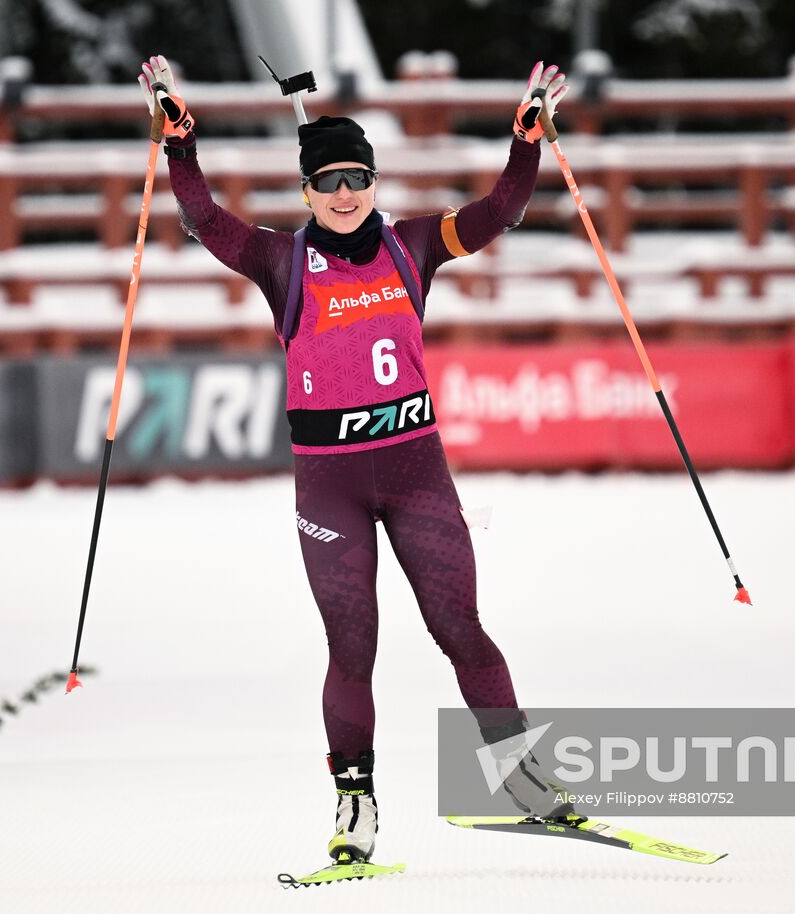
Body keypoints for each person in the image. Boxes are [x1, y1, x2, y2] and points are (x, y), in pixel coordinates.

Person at [138, 55, 572, 864]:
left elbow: (501, 212)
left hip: (416, 474)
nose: (344, 194)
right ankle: (355, 805)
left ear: (374, 183)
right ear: (306, 192)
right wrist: (180, 144)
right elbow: (204, 221)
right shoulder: (279, 262)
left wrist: (525, 142)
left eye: (357, 179)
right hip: (329, 487)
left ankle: (520, 778)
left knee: (460, 627)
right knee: (353, 647)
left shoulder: (414, 247)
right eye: (328, 181)